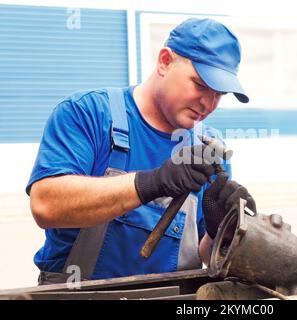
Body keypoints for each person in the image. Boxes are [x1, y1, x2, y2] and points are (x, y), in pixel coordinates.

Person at [27, 18, 257, 285]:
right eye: (200, 85)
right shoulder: (88, 114)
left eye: (219, 94)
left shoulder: (208, 149)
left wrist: (223, 231)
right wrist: (151, 183)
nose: (209, 103)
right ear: (164, 61)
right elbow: (46, 205)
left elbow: (206, 255)